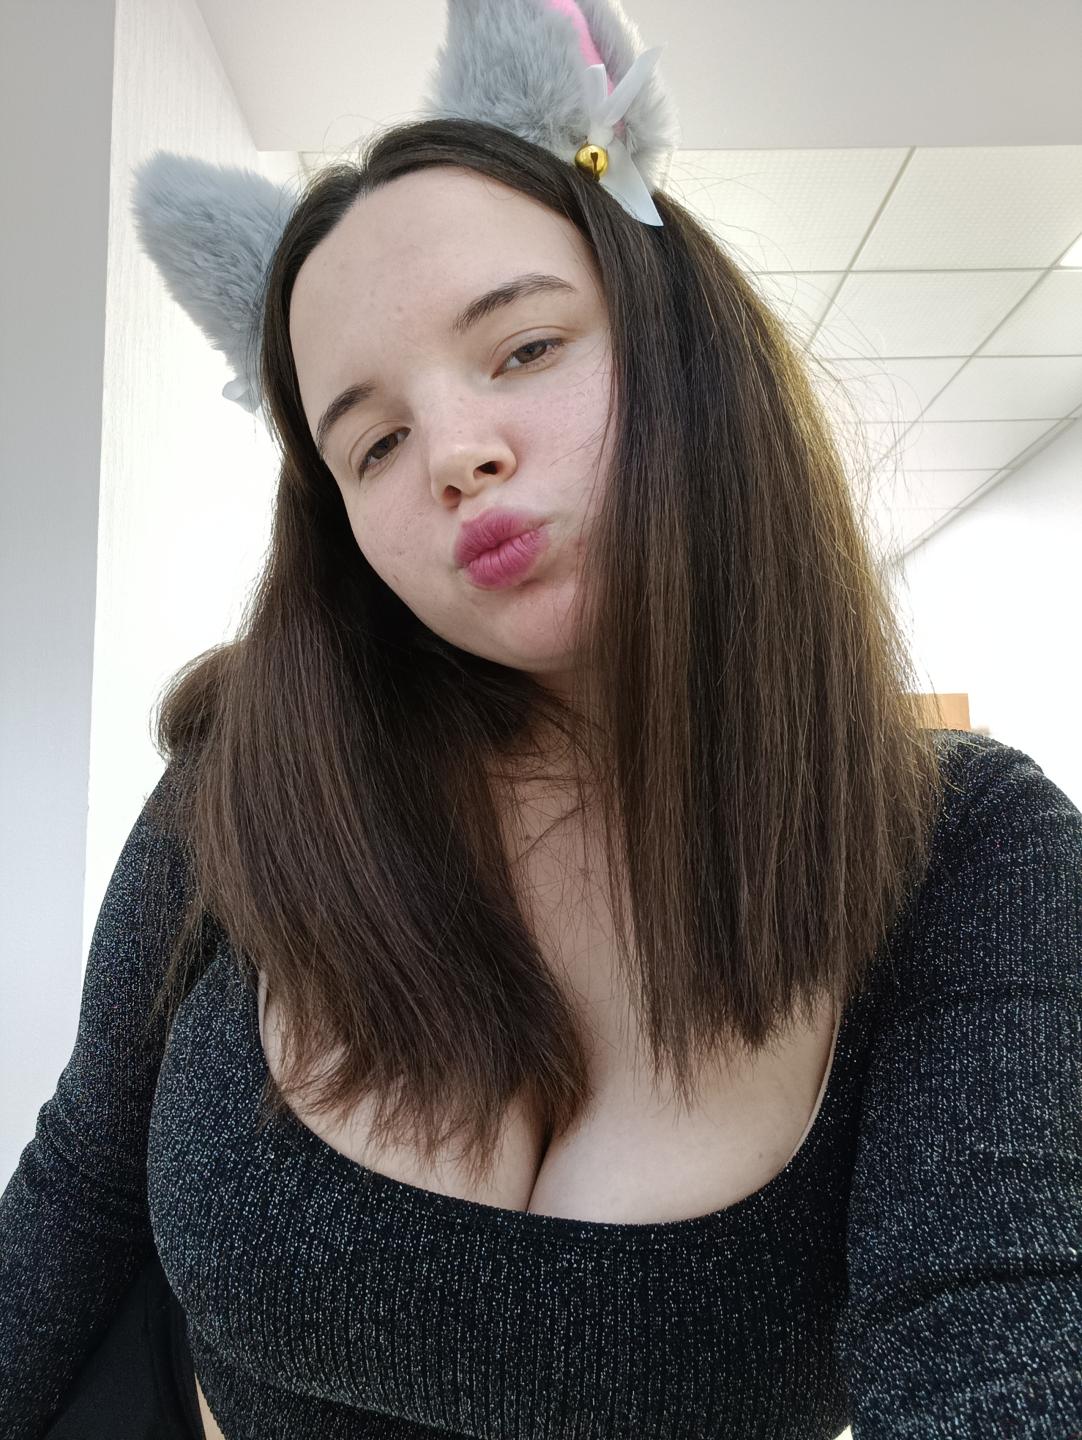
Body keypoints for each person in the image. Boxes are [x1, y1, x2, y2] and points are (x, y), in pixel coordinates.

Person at [2, 1, 1081, 1436]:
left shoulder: (970, 853)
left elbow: (1001, 1340)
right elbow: (77, 1195)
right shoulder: (243, 784)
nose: (454, 455)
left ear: (682, 345)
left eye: (521, 349)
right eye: (373, 441)